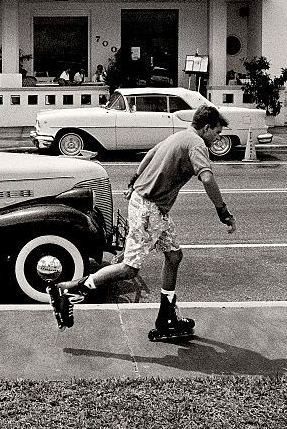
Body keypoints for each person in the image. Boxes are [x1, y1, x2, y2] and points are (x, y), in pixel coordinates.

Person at [49, 104, 237, 339]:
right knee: (129, 268)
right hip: (150, 209)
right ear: (207, 127)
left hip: (152, 206)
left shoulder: (179, 136)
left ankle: (167, 318)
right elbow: (207, 178)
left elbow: (149, 155)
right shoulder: (197, 143)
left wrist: (134, 181)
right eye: (217, 132)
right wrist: (222, 211)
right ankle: (70, 290)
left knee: (174, 255)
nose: (217, 138)